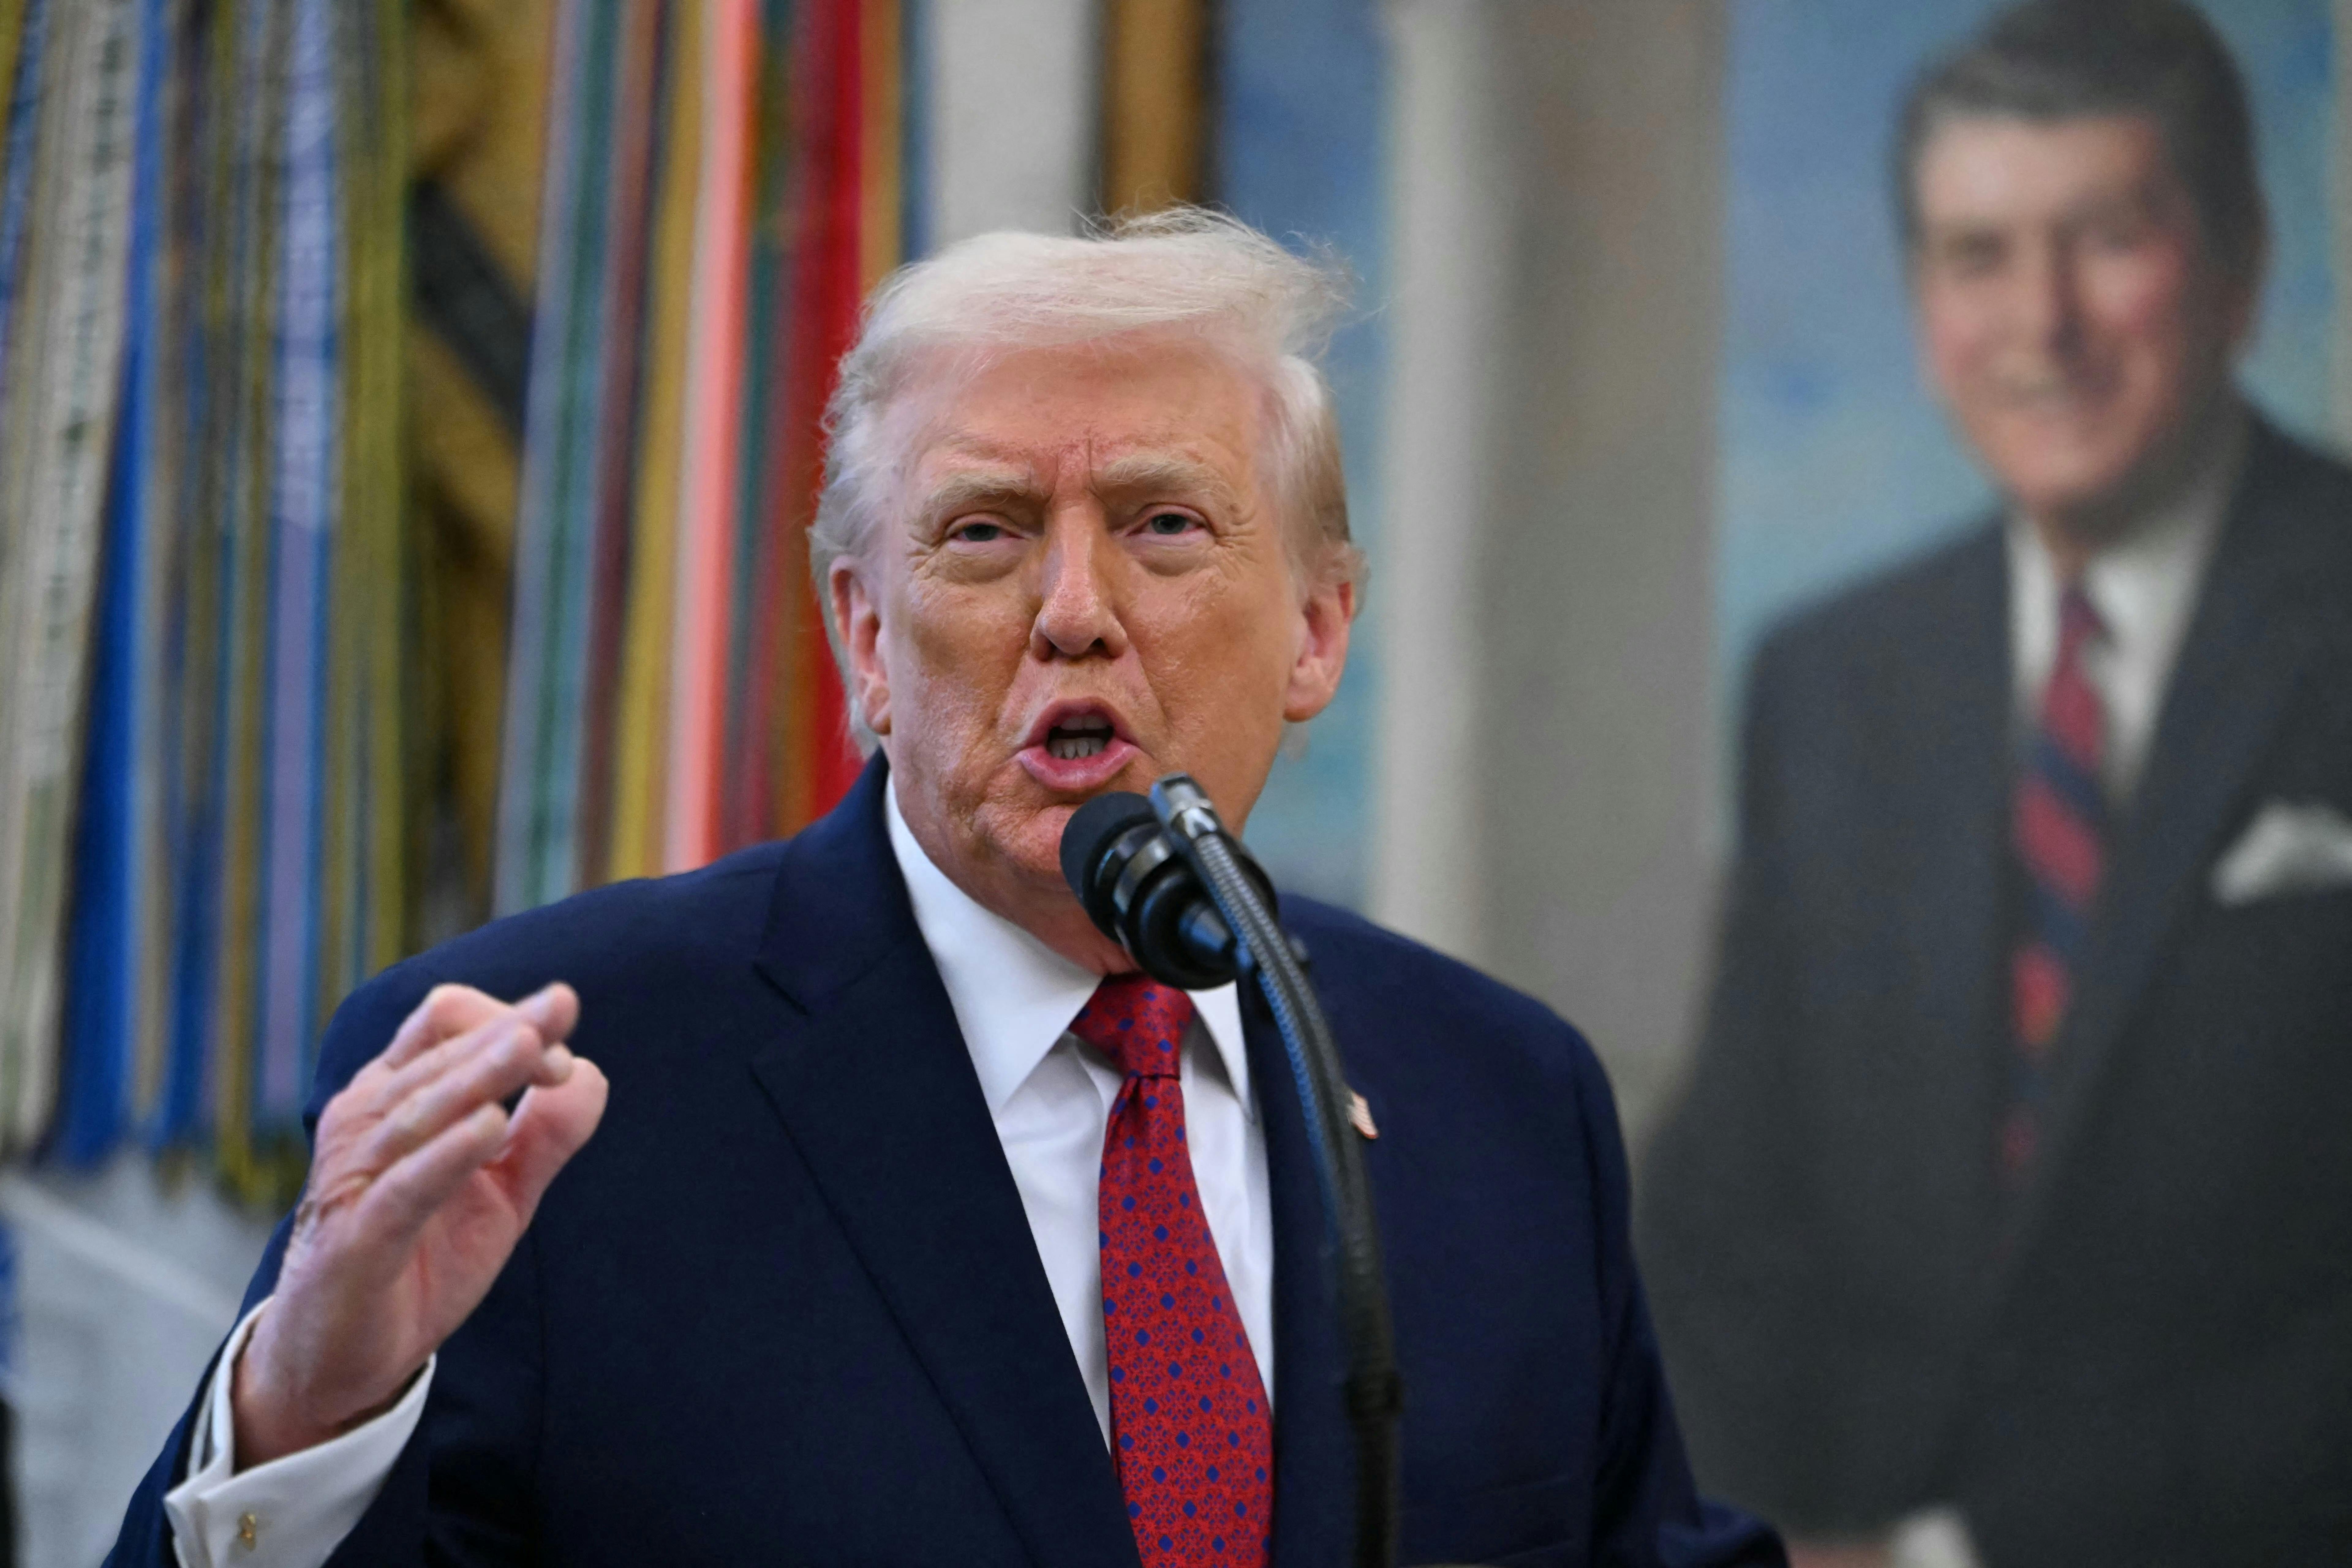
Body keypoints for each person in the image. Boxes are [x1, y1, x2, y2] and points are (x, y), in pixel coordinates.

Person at [108, 210, 1781, 1568]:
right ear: (867, 643)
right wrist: (311, 1416)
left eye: (1166, 525)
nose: (1072, 608)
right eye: (982, 533)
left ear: (1319, 633)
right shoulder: (543, 1102)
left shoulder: (1498, 1094)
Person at [1638, 3, 2352, 1566]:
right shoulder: (1832, 677)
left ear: (2237, 265)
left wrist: (1957, 1552)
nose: (2041, 325)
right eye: (1976, 257)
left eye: (2105, 237)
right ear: (1918, 305)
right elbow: (1732, 1221)